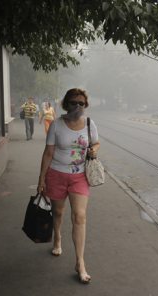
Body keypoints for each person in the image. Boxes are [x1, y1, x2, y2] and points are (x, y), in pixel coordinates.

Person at [37, 88, 100, 284]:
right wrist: (41, 178)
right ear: (66, 104)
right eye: (74, 103)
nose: (78, 107)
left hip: (80, 176)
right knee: (58, 212)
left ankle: (80, 262)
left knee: (79, 216)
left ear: (85, 105)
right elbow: (48, 153)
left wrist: (94, 151)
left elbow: (96, 143)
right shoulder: (56, 125)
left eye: (81, 103)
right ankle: (57, 237)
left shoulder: (89, 124)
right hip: (56, 175)